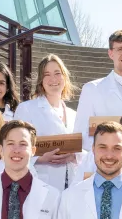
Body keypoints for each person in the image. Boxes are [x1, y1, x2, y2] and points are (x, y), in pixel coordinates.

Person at [19, 54, 81, 193]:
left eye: (57, 73)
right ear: (41, 80)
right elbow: (16, 149)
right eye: (47, 74)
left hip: (71, 185)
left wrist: (74, 156)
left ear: (64, 77)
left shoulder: (74, 114)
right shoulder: (27, 109)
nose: (53, 79)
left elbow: (84, 150)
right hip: (40, 184)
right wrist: (41, 159)